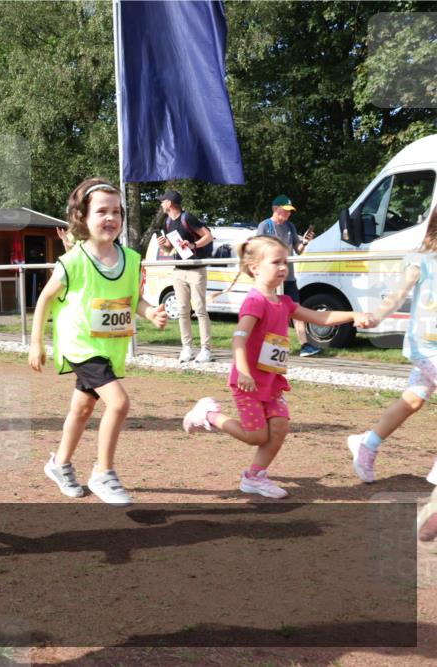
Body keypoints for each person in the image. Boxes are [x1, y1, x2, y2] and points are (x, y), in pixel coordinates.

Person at [184, 236, 371, 498]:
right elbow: (238, 338)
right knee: (256, 436)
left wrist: (353, 316)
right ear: (255, 267)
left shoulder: (284, 303)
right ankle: (209, 415)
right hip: (247, 381)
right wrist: (244, 371)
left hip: (271, 380)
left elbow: (320, 317)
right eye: (276, 262)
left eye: (286, 261)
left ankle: (254, 477)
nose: (284, 267)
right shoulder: (255, 302)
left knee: (280, 427)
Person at [28, 178, 169, 506]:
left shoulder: (131, 259)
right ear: (83, 217)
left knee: (83, 407)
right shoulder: (73, 261)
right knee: (118, 403)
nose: (111, 218)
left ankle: (59, 464)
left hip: (110, 348)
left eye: (117, 211)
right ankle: (103, 472)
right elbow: (46, 300)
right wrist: (37, 342)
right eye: (102, 211)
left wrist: (151, 313)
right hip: (81, 346)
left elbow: (132, 300)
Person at [346, 206, 437, 484]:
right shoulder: (422, 260)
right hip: (426, 346)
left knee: (413, 399)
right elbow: (398, 295)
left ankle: (367, 443)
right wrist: (375, 317)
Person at [255, 195, 321, 357]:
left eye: (289, 212)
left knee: (296, 309)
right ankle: (267, 347)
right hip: (270, 278)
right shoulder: (265, 225)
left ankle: (305, 345)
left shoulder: (290, 226)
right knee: (270, 312)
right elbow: (257, 249)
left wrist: (305, 241)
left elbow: (298, 250)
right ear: (275, 209)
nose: (287, 214)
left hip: (289, 276)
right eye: (285, 211)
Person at [155, 189, 215, 363]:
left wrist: (193, 244)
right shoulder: (167, 222)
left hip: (196, 269)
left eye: (163, 200)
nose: (161, 203)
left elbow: (208, 236)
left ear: (170, 203)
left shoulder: (187, 218)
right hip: (179, 270)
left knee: (200, 310)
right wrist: (162, 245)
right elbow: (170, 249)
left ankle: (206, 349)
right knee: (182, 310)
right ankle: (186, 348)